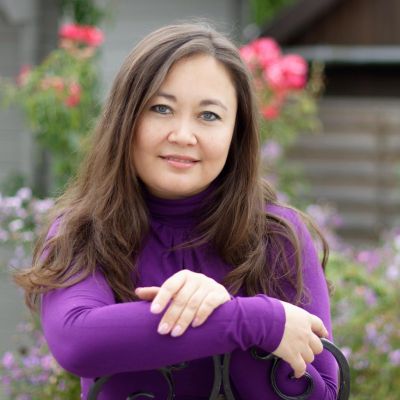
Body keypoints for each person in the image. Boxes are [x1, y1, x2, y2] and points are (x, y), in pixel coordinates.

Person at [15, 21, 338, 399]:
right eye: (161, 108)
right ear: (126, 120)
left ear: (236, 134)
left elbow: (324, 391)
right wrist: (250, 319)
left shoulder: (277, 235)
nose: (183, 135)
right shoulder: (84, 232)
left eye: (209, 115)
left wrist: (222, 309)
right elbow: (77, 342)